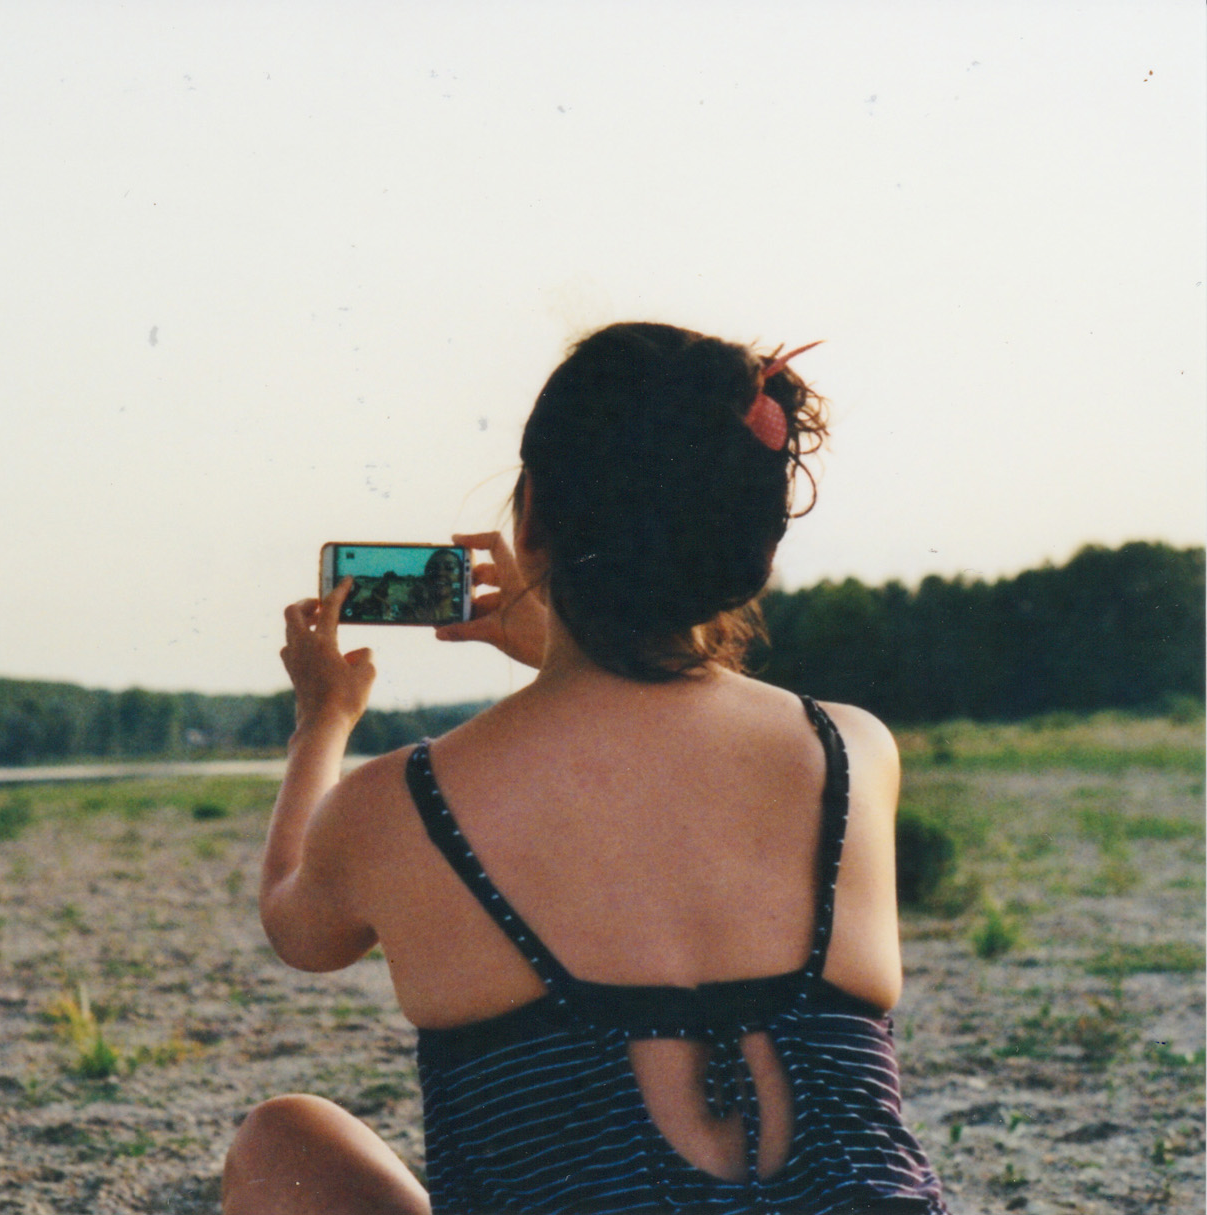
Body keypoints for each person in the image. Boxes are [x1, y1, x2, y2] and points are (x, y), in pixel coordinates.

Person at [222, 323, 946, 1214]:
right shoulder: (854, 750)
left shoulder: (407, 801)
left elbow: (298, 924)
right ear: (748, 545)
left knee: (282, 1141)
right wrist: (565, 649)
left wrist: (321, 719)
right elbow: (672, 751)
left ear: (530, 517)